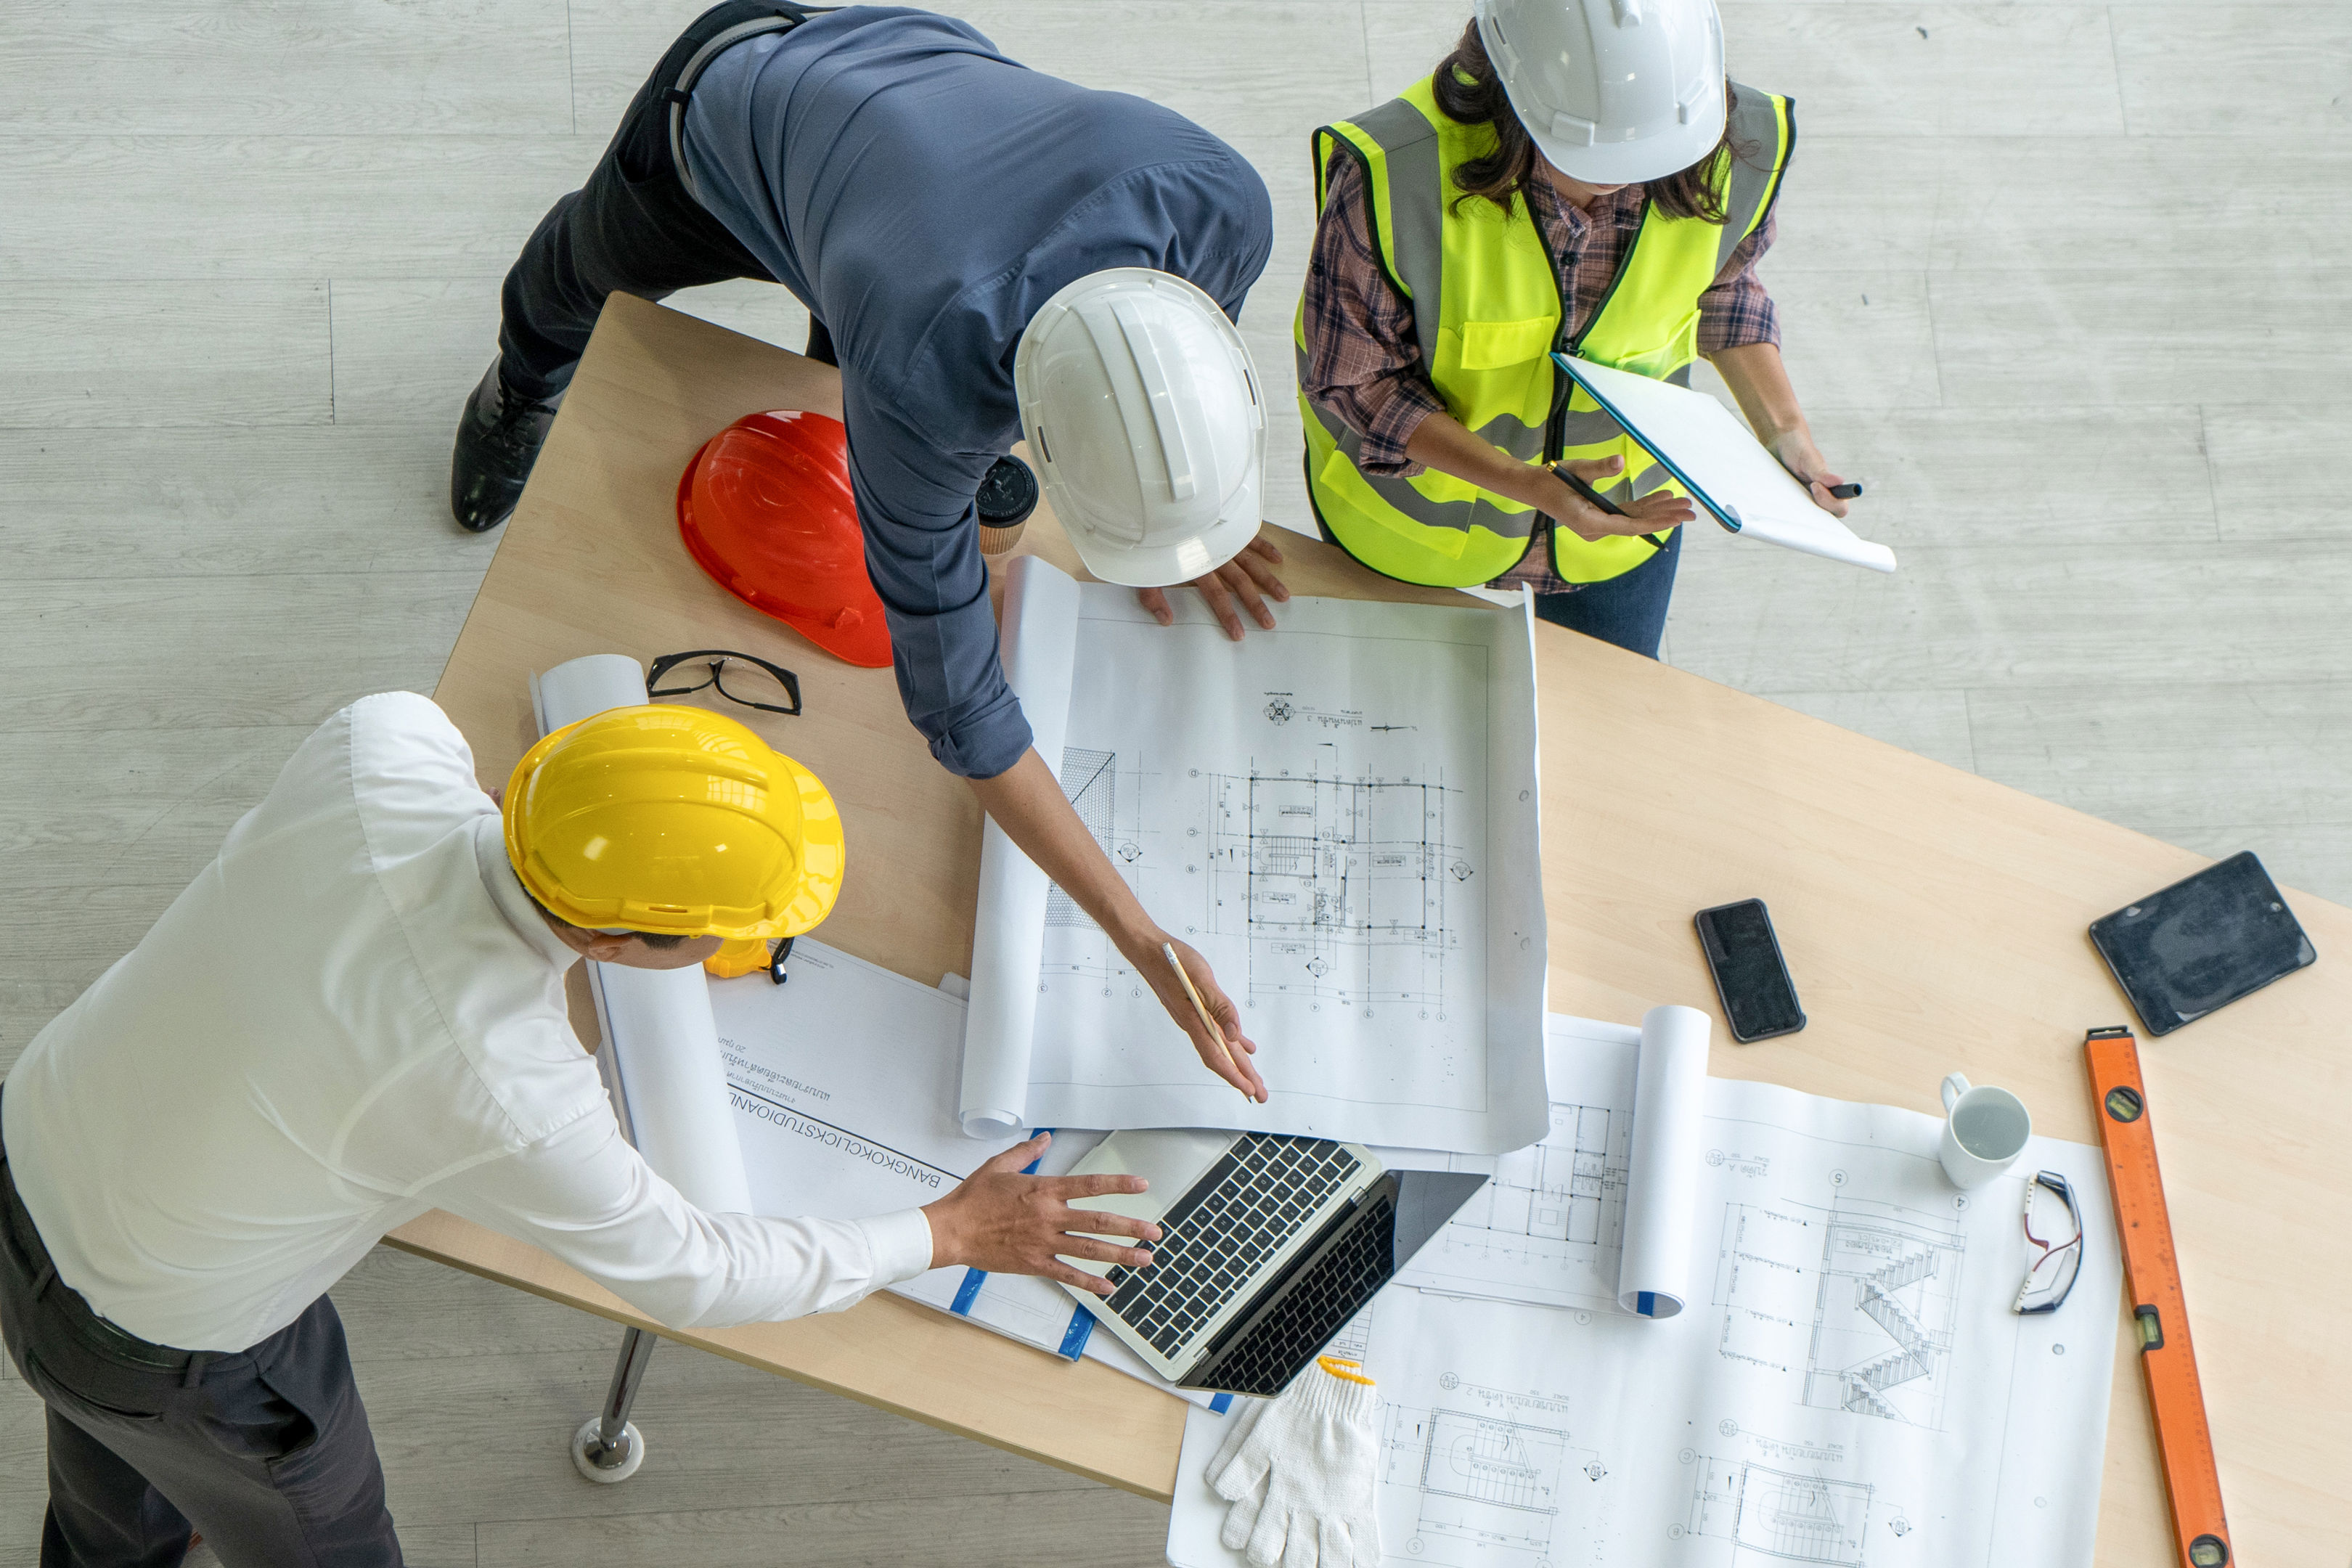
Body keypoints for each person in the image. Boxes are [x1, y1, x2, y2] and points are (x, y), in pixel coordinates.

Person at [0, 693, 1162, 1565]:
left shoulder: (382, 744)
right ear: (618, 945)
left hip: (42, 1146)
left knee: (110, 1460)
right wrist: (947, 1230)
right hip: (167, 1335)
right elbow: (698, 1274)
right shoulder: (505, 1081)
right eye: (710, 935)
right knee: (323, 1531)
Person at [452, 4, 1285, 1097]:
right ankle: (520, 379)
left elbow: (1166, 376)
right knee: (584, 275)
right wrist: (1141, 937)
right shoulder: (922, 378)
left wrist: (1186, 507)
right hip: (726, 106)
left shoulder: (1222, 203)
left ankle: (831, 301)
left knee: (845, 330)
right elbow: (964, 716)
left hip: (910, 124)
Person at [1296, 0, 1855, 658]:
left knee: (1606, 742)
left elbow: (1723, 285)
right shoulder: (1395, 173)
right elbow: (1361, 382)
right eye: (1590, 155)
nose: (1627, 180)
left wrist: (1788, 435)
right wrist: (1528, 483)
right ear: (1509, 93)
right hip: (1414, 535)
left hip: (1622, 522)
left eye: (1650, 156)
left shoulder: (1725, 137)